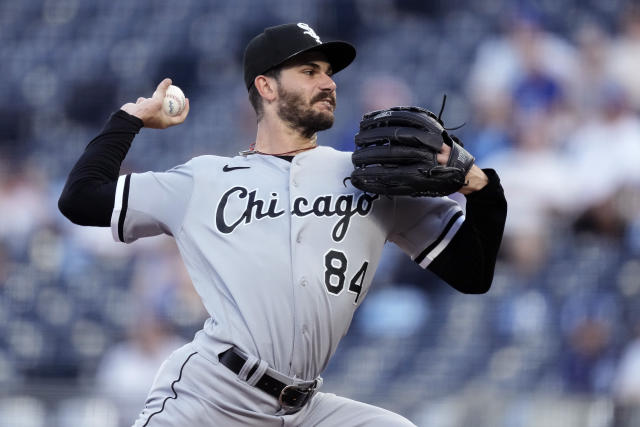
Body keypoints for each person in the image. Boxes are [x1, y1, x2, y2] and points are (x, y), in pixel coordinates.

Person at [58, 23, 507, 427]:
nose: (329, 83)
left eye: (328, 72)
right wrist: (130, 120)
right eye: (310, 71)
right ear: (266, 86)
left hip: (303, 409)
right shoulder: (203, 180)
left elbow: (472, 272)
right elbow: (80, 199)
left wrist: (479, 185)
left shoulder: (371, 177)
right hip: (209, 398)